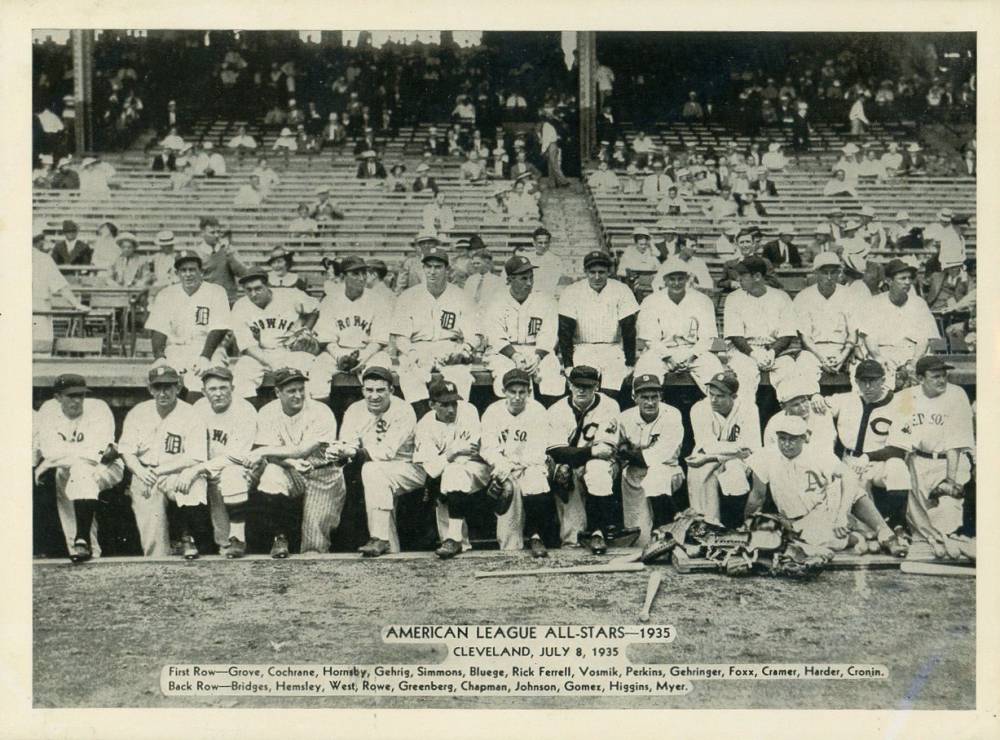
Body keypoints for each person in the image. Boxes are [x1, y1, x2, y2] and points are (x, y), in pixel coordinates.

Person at [745, 415, 900, 553]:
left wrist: (841, 516)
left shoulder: (818, 452)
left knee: (852, 489)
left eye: (792, 439)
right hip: (796, 520)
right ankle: (857, 537)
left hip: (825, 507)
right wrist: (745, 523)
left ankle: (885, 533)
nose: (787, 444)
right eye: (782, 438)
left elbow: (850, 477)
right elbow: (757, 496)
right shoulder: (765, 455)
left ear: (804, 438)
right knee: (813, 539)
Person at [877, 356, 975, 553]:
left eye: (944, 375)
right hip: (919, 461)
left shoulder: (957, 395)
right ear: (920, 378)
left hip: (950, 462)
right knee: (920, 525)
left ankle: (953, 544)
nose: (942, 380)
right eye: (935, 376)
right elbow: (901, 439)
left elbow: (956, 444)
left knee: (949, 510)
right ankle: (932, 548)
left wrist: (949, 480)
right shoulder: (906, 397)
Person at [248, 367, 345, 557]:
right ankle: (280, 536)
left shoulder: (321, 411)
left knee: (314, 547)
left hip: (323, 473)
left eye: (301, 389)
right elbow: (273, 458)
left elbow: (302, 451)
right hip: (291, 469)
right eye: (291, 391)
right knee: (271, 474)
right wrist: (290, 463)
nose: (298, 395)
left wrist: (262, 450)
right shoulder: (268, 412)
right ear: (277, 392)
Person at [117, 365, 210, 558]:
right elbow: (126, 451)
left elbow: (195, 456)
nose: (163, 392)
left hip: (176, 470)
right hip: (145, 473)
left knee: (194, 485)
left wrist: (159, 472)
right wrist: (140, 472)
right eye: (158, 387)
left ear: (177, 387)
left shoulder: (191, 414)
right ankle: (157, 565)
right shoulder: (138, 412)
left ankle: (187, 537)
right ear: (150, 389)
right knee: (153, 537)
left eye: (168, 387)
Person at [332, 366, 423, 557]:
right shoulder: (355, 410)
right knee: (374, 475)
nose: (374, 396)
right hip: (376, 468)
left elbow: (387, 452)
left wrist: (352, 452)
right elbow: (347, 444)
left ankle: (380, 538)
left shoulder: (403, 410)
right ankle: (387, 549)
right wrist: (339, 452)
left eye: (381, 390)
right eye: (369, 390)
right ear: (363, 390)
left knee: (373, 471)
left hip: (409, 467)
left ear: (391, 390)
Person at [33, 374, 123, 562]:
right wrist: (52, 460)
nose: (77, 400)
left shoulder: (98, 408)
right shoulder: (48, 411)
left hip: (107, 467)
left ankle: (83, 540)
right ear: (57, 397)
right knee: (70, 479)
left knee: (81, 472)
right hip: (68, 468)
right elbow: (50, 451)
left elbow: (95, 454)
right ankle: (81, 551)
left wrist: (50, 462)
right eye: (70, 396)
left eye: (80, 395)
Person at [819, 360, 910, 529]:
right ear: (856, 381)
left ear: (883, 380)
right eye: (863, 381)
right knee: (864, 527)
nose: (867, 386)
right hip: (850, 461)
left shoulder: (900, 403)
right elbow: (819, 407)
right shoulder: (846, 399)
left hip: (878, 462)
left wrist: (868, 457)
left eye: (873, 381)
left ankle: (898, 525)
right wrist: (815, 397)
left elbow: (899, 448)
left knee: (898, 468)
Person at [413, 380, 493, 559]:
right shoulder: (424, 426)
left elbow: (471, 452)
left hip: (477, 468)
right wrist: (453, 451)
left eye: (453, 403)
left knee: (454, 472)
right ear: (432, 404)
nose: (451, 409)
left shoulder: (469, 411)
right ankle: (456, 541)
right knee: (451, 475)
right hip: (446, 475)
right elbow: (431, 469)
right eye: (444, 404)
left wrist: (447, 458)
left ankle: (454, 538)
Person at [545, 366, 622, 553]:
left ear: (596, 386)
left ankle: (598, 532)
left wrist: (584, 456)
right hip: (568, 464)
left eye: (587, 386)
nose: (581, 390)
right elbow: (556, 452)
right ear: (569, 385)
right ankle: (573, 541)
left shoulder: (609, 405)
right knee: (566, 474)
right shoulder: (557, 409)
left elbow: (605, 450)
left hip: (601, 464)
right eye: (577, 385)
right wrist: (588, 454)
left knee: (597, 470)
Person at [391, 245, 480, 406]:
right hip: (417, 348)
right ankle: (422, 420)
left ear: (447, 270)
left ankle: (455, 424)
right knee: (412, 379)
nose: (432, 271)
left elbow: (475, 334)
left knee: (460, 379)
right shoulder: (408, 296)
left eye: (438, 267)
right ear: (423, 268)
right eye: (428, 267)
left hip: (450, 347)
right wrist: (412, 353)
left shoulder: (461, 296)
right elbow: (400, 338)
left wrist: (463, 350)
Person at [480, 369, 555, 556]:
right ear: (504, 391)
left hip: (530, 465)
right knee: (509, 489)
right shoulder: (493, 411)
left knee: (536, 480)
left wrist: (516, 465)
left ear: (529, 392)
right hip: (503, 467)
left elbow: (539, 450)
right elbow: (488, 448)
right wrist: (502, 467)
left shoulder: (537, 410)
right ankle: (511, 546)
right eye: (512, 392)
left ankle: (536, 536)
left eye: (522, 392)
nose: (517, 397)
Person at [190, 367, 258, 558]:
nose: (218, 393)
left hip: (243, 468)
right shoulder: (198, 408)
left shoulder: (245, 410)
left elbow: (237, 456)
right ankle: (203, 541)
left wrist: (200, 468)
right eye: (212, 389)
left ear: (232, 388)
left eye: (223, 388)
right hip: (208, 468)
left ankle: (237, 539)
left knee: (230, 475)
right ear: (204, 391)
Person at [145, 250, 231, 393]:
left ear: (201, 271)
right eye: (183, 270)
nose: (188, 274)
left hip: (209, 348)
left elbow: (219, 328)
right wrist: (160, 357)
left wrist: (205, 357)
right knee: (162, 378)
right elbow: (158, 329)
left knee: (206, 378)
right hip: (176, 349)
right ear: (177, 273)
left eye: (192, 270)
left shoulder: (216, 291)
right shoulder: (166, 294)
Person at [635, 256, 722, 394]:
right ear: (665, 280)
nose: (676, 283)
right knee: (645, 375)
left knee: (717, 377)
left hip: (694, 352)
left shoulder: (702, 300)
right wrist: (669, 357)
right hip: (660, 353)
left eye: (680, 278)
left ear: (687, 279)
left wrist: (691, 356)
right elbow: (650, 339)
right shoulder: (651, 301)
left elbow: (707, 338)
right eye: (672, 279)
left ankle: (713, 412)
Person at [558, 250, 639, 397]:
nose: (597, 277)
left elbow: (629, 329)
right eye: (592, 272)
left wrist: (630, 362)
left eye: (601, 272)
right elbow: (564, 332)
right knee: (584, 384)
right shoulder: (571, 291)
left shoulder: (621, 290)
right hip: (583, 347)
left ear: (609, 271)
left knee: (612, 389)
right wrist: (568, 364)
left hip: (612, 347)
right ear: (585, 271)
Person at [311, 257, 393, 400]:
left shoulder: (378, 300)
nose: (361, 278)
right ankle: (322, 418)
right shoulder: (330, 300)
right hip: (336, 352)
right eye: (355, 274)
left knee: (379, 372)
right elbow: (327, 338)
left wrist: (362, 358)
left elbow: (378, 340)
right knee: (317, 369)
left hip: (369, 353)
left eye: (364, 273)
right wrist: (339, 357)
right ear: (343, 277)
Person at [229, 269, 320, 399]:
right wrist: (272, 363)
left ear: (268, 286)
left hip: (289, 351)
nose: (253, 294)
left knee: (308, 370)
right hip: (259, 354)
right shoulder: (240, 306)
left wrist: (306, 329)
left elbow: (315, 309)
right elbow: (247, 347)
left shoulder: (290, 295)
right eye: (248, 290)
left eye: (258, 288)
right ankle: (248, 416)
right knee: (242, 372)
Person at [617, 374, 685, 546]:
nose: (650, 402)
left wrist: (627, 452)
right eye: (644, 397)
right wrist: (622, 450)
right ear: (634, 398)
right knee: (640, 540)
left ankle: (666, 534)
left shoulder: (672, 415)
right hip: (635, 474)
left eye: (654, 397)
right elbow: (612, 446)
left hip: (668, 471)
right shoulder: (624, 417)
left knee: (657, 474)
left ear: (661, 397)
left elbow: (659, 456)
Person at [483, 255, 565, 399]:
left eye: (531, 277)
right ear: (509, 280)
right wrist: (515, 356)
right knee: (507, 375)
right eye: (523, 278)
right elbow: (496, 336)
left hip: (538, 350)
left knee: (551, 374)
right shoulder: (496, 302)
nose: (529, 283)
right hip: (505, 353)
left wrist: (538, 357)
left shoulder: (546, 301)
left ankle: (546, 414)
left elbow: (549, 334)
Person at [686, 370, 761, 527]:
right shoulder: (699, 408)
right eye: (711, 394)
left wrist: (716, 455)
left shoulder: (749, 408)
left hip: (737, 461)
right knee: (700, 470)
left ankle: (735, 527)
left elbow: (752, 448)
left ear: (733, 396)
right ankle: (706, 525)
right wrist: (734, 450)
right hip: (708, 459)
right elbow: (707, 446)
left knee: (733, 472)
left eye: (720, 396)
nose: (713, 399)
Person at [722, 256, 799, 392]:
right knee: (746, 376)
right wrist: (755, 355)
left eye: (743, 275)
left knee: (789, 372)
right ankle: (746, 413)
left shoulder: (781, 297)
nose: (738, 279)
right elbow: (736, 336)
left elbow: (787, 334)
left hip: (776, 352)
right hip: (744, 353)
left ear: (757, 276)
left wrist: (772, 353)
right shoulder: (733, 298)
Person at [859, 259, 939, 389]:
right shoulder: (874, 303)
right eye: (902, 278)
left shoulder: (919, 304)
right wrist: (878, 357)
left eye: (909, 278)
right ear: (889, 281)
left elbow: (924, 339)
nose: (907, 282)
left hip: (912, 353)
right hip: (884, 353)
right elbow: (869, 337)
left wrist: (914, 361)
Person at [791, 253, 855, 381]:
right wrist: (822, 359)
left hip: (843, 350)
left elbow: (853, 333)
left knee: (861, 370)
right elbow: (805, 337)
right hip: (814, 351)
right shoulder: (803, 297)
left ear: (839, 273)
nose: (830, 277)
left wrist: (842, 357)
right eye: (825, 273)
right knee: (803, 366)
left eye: (834, 272)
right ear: (816, 273)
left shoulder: (850, 295)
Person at [763, 374, 837, 454]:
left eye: (804, 401)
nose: (803, 408)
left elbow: (826, 450)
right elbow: (771, 452)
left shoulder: (820, 415)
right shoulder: (775, 422)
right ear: (783, 407)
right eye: (796, 405)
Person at [195, 216, 248, 304]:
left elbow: (243, 273)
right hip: (207, 300)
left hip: (229, 299)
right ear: (202, 233)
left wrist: (230, 256)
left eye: (218, 232)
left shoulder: (229, 249)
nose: (217, 235)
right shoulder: (197, 253)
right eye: (212, 232)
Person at [525, 226, 567, 297]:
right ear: (534, 243)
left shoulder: (556, 260)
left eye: (546, 242)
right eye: (540, 243)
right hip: (529, 295)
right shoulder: (527, 259)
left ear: (549, 243)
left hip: (547, 296)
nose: (543, 245)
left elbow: (556, 281)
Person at [540, 115, 569, 188]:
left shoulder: (546, 126)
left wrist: (543, 150)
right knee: (550, 165)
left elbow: (546, 140)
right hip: (553, 145)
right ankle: (551, 183)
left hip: (551, 146)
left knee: (554, 165)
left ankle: (564, 181)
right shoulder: (549, 126)